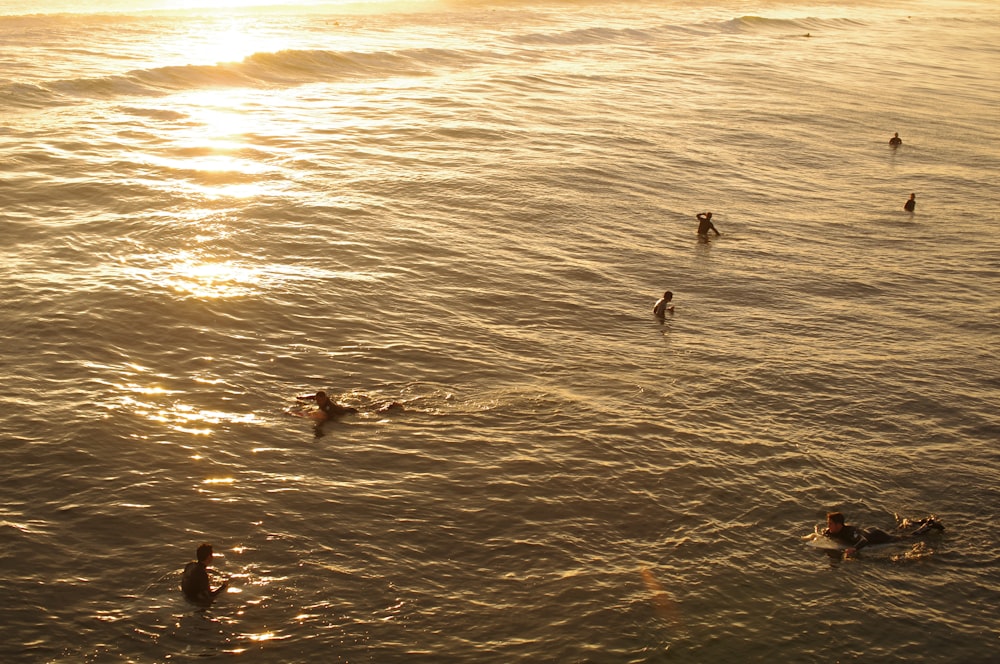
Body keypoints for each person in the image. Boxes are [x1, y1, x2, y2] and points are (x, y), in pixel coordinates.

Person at [823, 511, 943, 557]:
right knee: (897, 532)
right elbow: (827, 534)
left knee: (904, 538)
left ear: (839, 525)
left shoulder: (849, 533)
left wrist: (854, 549)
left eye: (830, 524)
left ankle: (927, 526)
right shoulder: (832, 530)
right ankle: (913, 523)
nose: (828, 526)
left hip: (876, 535)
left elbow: (863, 541)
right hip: (869, 530)